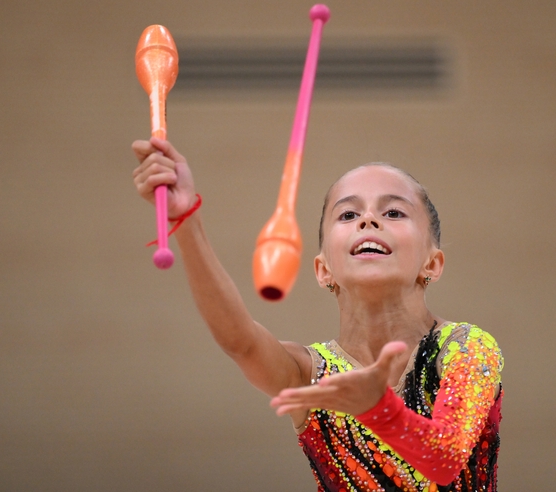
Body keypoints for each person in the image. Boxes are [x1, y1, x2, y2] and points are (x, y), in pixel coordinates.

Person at [132, 137, 504, 491]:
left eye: (393, 212)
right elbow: (240, 341)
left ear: (433, 263)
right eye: (347, 214)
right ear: (323, 269)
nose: (368, 220)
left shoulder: (465, 348)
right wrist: (186, 219)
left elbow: (444, 460)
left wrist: (377, 409)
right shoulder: (311, 376)